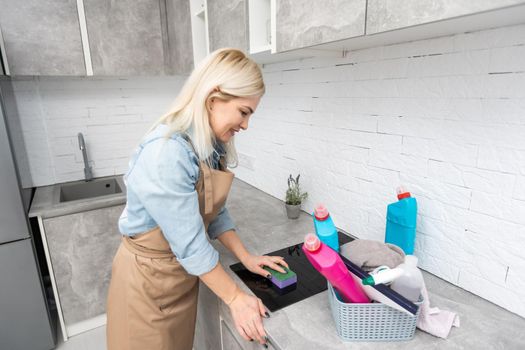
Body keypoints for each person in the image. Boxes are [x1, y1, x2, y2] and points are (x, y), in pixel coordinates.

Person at [106, 48, 288, 350]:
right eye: (244, 112)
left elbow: (215, 212)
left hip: (178, 277)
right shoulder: (167, 153)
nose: (246, 125)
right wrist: (234, 297)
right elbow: (190, 243)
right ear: (214, 99)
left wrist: (246, 257)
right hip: (146, 283)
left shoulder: (206, 147)